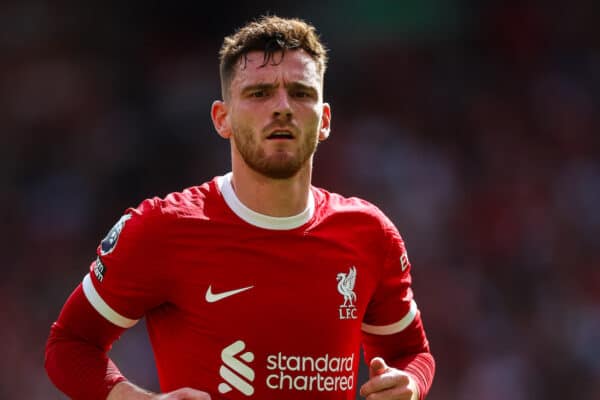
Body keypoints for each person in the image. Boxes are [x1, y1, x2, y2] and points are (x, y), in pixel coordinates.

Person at [44, 15, 435, 400]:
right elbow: (70, 344)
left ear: (324, 120)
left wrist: (411, 384)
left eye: (300, 93)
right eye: (259, 93)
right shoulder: (162, 228)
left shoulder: (370, 234)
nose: (282, 107)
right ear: (222, 118)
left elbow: (410, 352)